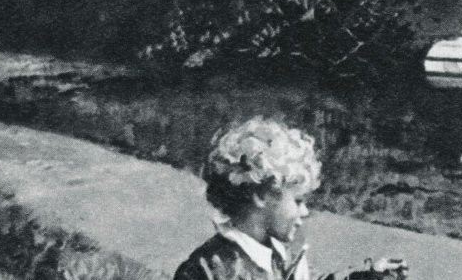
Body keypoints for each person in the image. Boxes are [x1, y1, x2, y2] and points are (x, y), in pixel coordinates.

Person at [174, 117, 407, 280]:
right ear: (262, 197)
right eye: (298, 201)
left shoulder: (284, 255)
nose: (305, 212)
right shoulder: (208, 270)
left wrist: (367, 276)